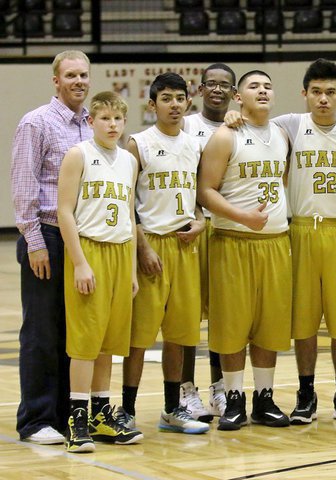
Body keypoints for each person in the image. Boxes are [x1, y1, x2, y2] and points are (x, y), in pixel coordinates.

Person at [270, 58, 336, 424]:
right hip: (301, 229)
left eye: (330, 92)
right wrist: (234, 117)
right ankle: (306, 391)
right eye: (316, 92)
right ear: (304, 94)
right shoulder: (289, 124)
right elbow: (252, 126)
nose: (323, 99)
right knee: (305, 321)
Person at [198, 70, 292, 430]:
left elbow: (280, 183)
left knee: (269, 325)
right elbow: (205, 191)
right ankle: (234, 398)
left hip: (275, 242)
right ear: (239, 96)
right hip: (233, 240)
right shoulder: (226, 136)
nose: (263, 91)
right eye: (254, 86)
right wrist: (241, 215)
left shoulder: (282, 135)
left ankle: (264, 398)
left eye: (268, 86)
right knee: (232, 325)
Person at [119, 73, 209, 435]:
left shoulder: (195, 145)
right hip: (151, 246)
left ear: (189, 103)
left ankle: (172, 409)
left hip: (185, 246)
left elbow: (201, 196)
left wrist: (202, 221)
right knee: (139, 338)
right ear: (152, 104)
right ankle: (125, 409)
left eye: (180, 98)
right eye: (166, 98)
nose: (174, 104)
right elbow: (125, 201)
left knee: (179, 334)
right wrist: (142, 246)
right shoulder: (137, 144)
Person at [11, 50, 92, 445]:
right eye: (71, 75)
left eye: (84, 75)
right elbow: (24, 186)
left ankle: (65, 415)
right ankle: (36, 419)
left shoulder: (93, 125)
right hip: (47, 236)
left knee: (74, 330)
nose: (79, 81)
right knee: (42, 331)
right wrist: (36, 243)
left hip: (83, 240)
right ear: (55, 80)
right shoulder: (36, 122)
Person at [56, 91, 144, 452]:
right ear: (91, 122)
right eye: (104, 118)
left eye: (118, 119)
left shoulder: (128, 161)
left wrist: (134, 269)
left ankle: (101, 414)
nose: (112, 125)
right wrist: (79, 262)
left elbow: (128, 213)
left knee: (110, 340)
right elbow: (64, 211)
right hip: (90, 249)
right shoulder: (78, 155)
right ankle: (76, 419)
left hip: (122, 252)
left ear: (124, 124)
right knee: (85, 340)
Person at [180, 63, 238, 421]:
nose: (217, 90)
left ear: (234, 93)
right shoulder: (185, 126)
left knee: (222, 315)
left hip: (225, 230)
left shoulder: (240, 127)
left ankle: (220, 387)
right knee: (187, 315)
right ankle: (186, 390)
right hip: (190, 229)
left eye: (224, 85)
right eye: (210, 84)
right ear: (200, 90)